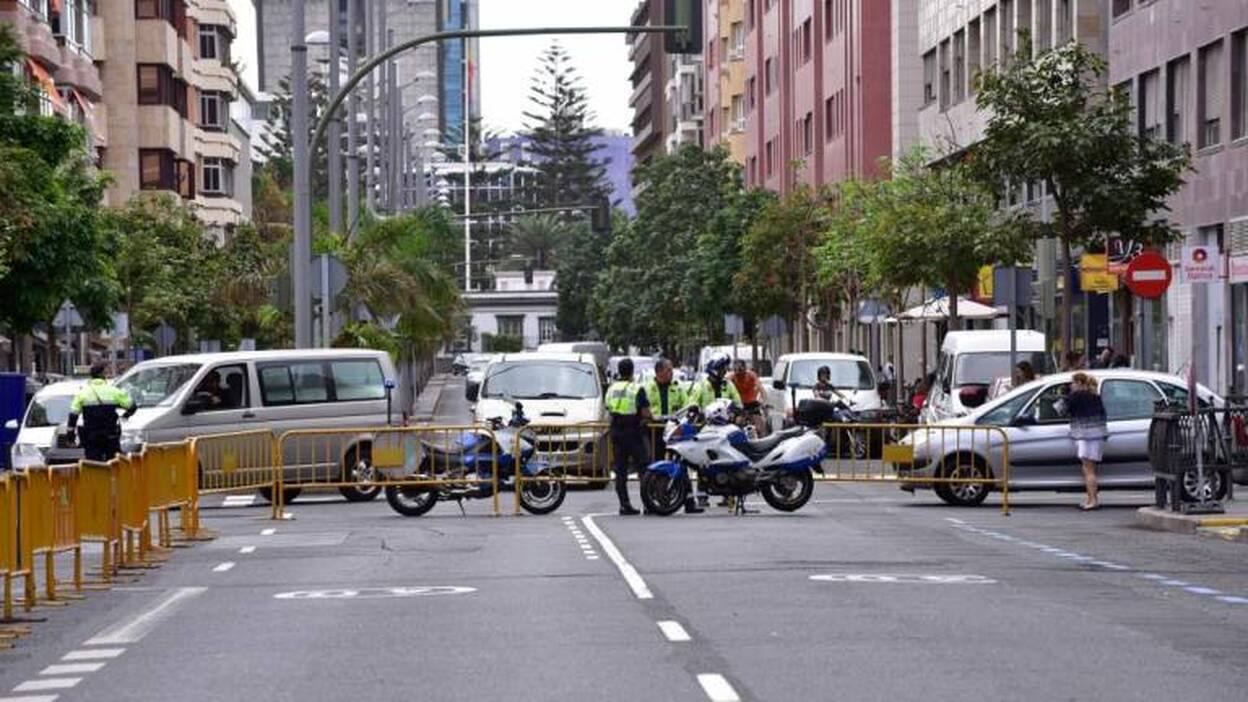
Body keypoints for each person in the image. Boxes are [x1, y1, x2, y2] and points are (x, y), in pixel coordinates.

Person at [643, 358, 702, 514]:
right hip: (655, 431)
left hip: (674, 431)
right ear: (659, 372)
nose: (671, 373)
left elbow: (687, 404)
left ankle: (690, 502)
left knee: (681, 463)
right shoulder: (648, 388)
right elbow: (644, 407)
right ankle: (652, 503)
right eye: (668, 370)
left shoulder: (678, 387)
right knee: (656, 468)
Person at [605, 358, 652, 516]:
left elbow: (608, 409)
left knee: (621, 470)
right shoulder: (636, 388)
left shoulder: (612, 389)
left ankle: (624, 505)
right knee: (643, 468)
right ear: (632, 371)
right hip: (633, 430)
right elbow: (645, 412)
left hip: (616, 431)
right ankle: (648, 504)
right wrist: (650, 418)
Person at [67, 363, 137, 462]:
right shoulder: (114, 391)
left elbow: (73, 416)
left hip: (91, 436)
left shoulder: (82, 393)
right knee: (113, 463)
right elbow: (132, 406)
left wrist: (70, 436)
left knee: (93, 465)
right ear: (102, 374)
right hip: (110, 435)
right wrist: (125, 416)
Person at [1062, 372, 1108, 511]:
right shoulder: (1095, 396)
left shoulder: (1076, 396)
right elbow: (1103, 415)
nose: (1071, 386)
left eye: (1073, 383)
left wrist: (1064, 395)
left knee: (1088, 469)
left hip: (1085, 436)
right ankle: (1090, 498)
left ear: (1080, 383)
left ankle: (1093, 500)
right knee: (1090, 468)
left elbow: (1060, 409)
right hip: (1098, 435)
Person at [729, 359, 765, 436]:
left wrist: (764, 401)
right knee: (737, 423)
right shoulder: (732, 377)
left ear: (745, 369)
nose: (738, 373)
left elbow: (761, 388)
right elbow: (726, 389)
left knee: (759, 425)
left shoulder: (751, 375)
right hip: (740, 405)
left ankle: (761, 438)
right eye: (736, 370)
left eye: (740, 370)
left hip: (752, 403)